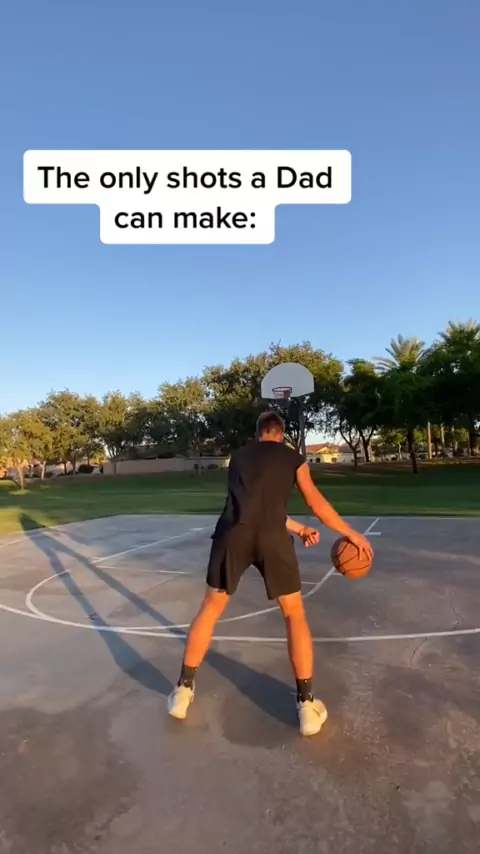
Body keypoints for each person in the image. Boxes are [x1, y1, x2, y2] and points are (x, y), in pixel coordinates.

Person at [168, 410, 373, 736]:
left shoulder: (239, 457)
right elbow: (315, 503)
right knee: (294, 614)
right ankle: (306, 705)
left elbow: (251, 508)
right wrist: (352, 534)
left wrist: (298, 528)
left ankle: (183, 690)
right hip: (272, 540)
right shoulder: (293, 458)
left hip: (232, 535)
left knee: (210, 608)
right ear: (281, 434)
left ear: (259, 433)